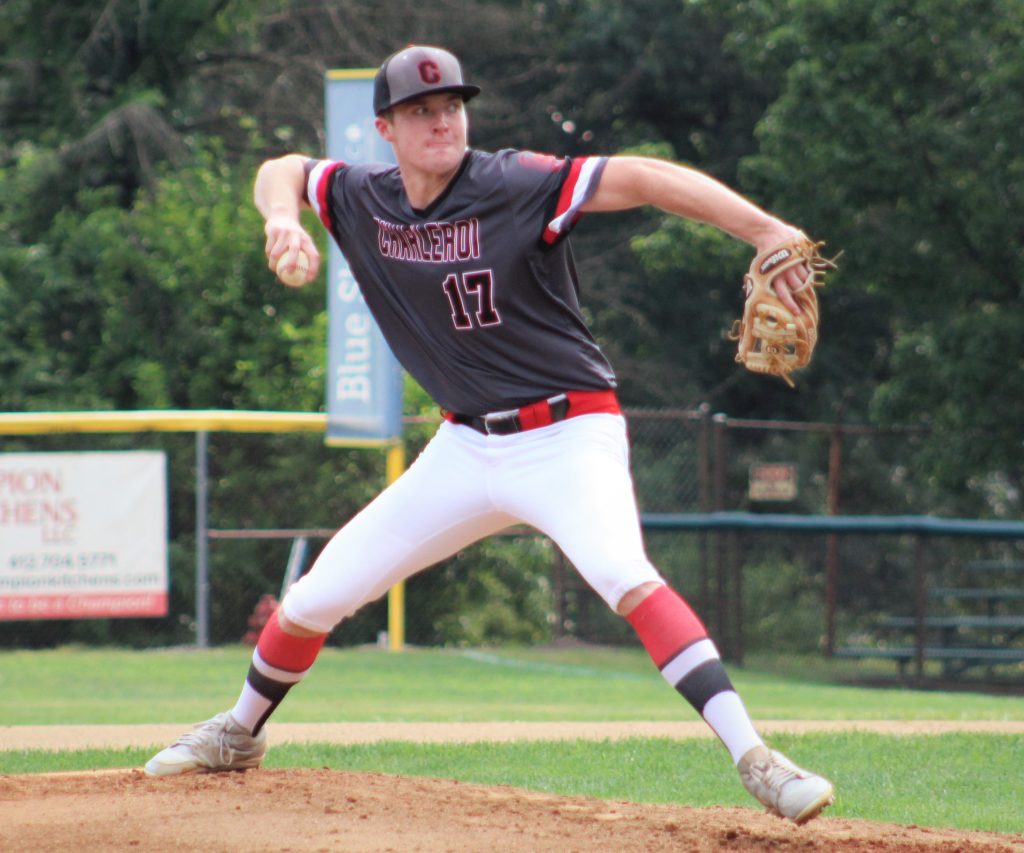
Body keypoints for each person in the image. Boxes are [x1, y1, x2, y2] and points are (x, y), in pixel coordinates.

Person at [145, 45, 834, 825]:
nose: (442, 120)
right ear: (385, 130)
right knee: (314, 597)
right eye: (420, 111)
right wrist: (280, 222)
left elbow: (641, 176)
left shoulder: (511, 181)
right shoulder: (362, 196)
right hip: (467, 446)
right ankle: (239, 732)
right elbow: (283, 169)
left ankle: (758, 759)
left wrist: (763, 227)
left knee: (623, 574)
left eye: (451, 107)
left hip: (568, 431)